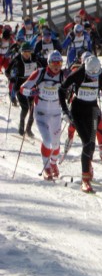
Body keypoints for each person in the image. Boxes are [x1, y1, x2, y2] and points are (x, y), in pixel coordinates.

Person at [59, 55, 102, 192]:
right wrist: (64, 110)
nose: (93, 77)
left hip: (92, 110)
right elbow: (61, 90)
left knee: (91, 144)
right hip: (78, 111)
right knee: (87, 143)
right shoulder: (78, 74)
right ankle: (85, 180)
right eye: (91, 75)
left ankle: (88, 167)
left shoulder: (101, 73)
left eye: (95, 75)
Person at [20, 51, 66, 180]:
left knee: (56, 143)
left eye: (59, 63)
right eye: (54, 63)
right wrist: (32, 91)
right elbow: (23, 88)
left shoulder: (63, 75)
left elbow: (73, 84)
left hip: (56, 113)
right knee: (47, 140)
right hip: (41, 113)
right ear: (48, 63)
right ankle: (46, 168)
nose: (57, 66)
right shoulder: (40, 73)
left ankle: (53, 164)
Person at [7, 42, 46, 136]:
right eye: (25, 52)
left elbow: (44, 66)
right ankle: (21, 126)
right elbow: (7, 71)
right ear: (21, 52)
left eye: (28, 52)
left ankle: (28, 129)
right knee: (25, 107)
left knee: (33, 109)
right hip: (20, 86)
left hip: (32, 85)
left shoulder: (35, 58)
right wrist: (11, 77)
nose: (27, 54)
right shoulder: (17, 60)